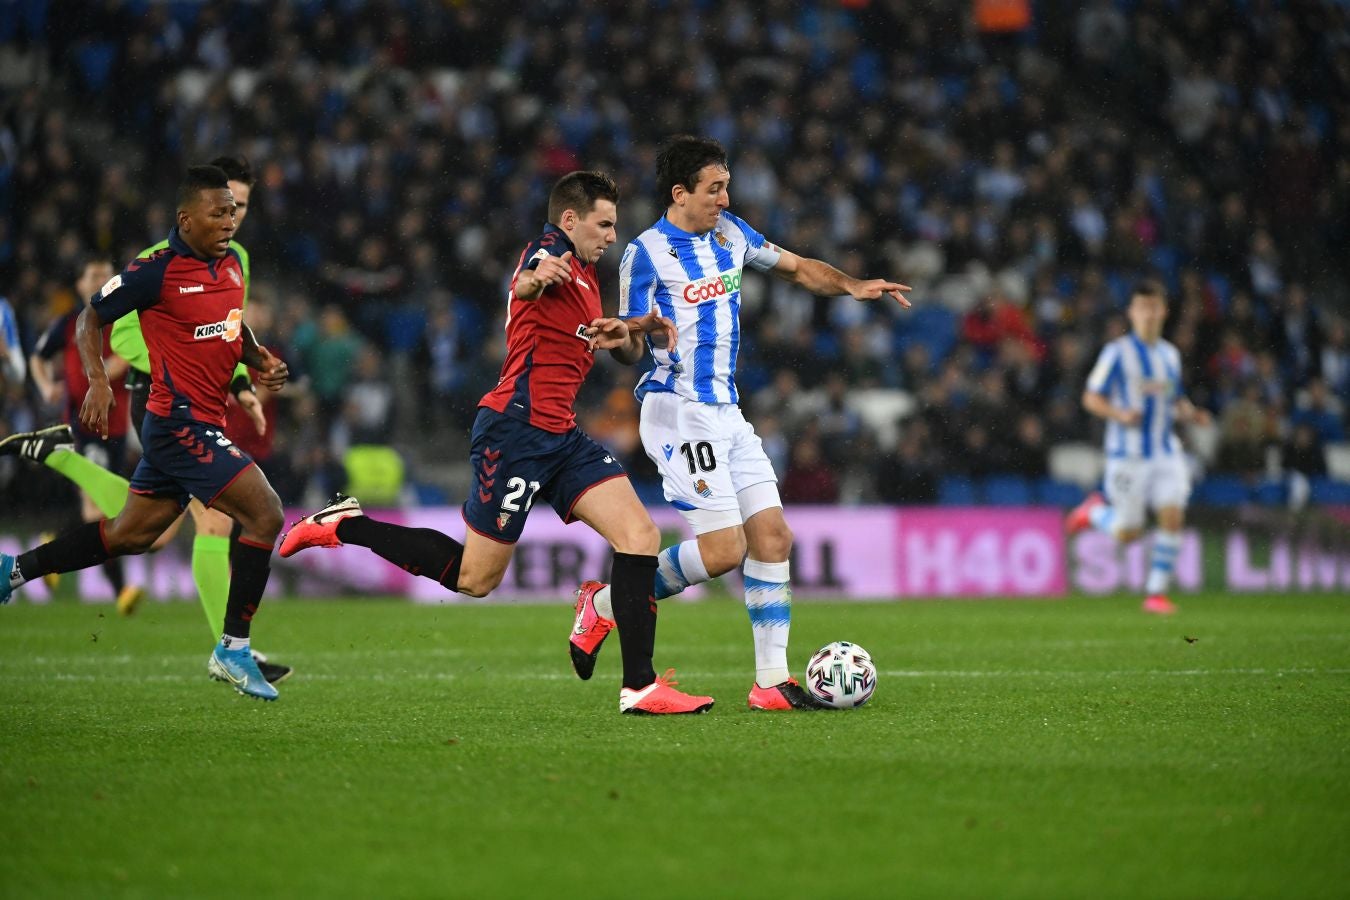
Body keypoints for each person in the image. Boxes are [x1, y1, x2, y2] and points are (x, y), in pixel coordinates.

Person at [279, 171, 713, 716]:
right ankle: (344, 525)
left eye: (615, 226)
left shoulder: (584, 272)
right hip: (515, 433)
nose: (611, 235)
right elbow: (527, 283)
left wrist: (634, 327)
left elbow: (601, 345)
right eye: (604, 224)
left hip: (562, 436)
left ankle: (639, 684)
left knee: (640, 535)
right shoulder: (549, 249)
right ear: (571, 219)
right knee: (475, 578)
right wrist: (535, 276)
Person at [565, 135, 911, 711]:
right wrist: (632, 332)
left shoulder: (732, 234)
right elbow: (624, 343)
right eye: (715, 189)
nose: (725, 200)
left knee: (774, 537)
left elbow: (798, 269)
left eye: (727, 187)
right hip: (677, 409)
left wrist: (851, 284)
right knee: (725, 549)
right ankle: (601, 607)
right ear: (680, 193)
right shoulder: (646, 252)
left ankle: (770, 681)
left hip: (727, 411)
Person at [0, 165, 291, 701]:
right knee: (265, 512)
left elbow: (231, 325)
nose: (230, 222)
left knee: (131, 535)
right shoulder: (155, 270)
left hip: (201, 421)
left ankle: (13, 571)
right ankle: (232, 648)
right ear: (186, 217)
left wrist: (257, 360)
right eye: (219, 211)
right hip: (177, 423)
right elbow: (90, 320)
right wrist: (97, 383)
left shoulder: (231, 265)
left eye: (234, 211)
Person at [1066, 279, 1211, 614]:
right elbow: (1090, 397)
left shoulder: (1170, 355)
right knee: (1128, 532)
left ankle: (1156, 593)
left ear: (1164, 311)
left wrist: (1191, 414)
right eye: (1141, 307)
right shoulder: (1117, 353)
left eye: (1153, 307)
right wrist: (1117, 413)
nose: (1147, 313)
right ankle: (1093, 512)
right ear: (1132, 312)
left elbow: (1173, 399)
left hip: (1165, 452)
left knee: (1172, 515)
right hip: (1127, 455)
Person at [27, 255, 144, 612]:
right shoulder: (68, 324)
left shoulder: (124, 319)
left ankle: (53, 541)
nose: (101, 279)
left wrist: (109, 367)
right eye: (94, 275)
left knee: (108, 507)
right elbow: (37, 357)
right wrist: (47, 385)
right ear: (79, 285)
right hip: (86, 426)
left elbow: (134, 356)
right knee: (98, 508)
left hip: (120, 427)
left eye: (107, 274)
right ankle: (121, 589)